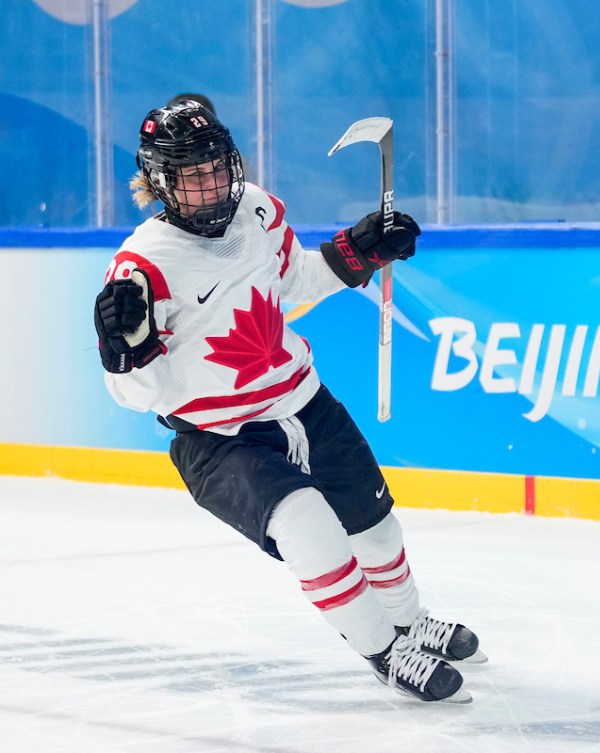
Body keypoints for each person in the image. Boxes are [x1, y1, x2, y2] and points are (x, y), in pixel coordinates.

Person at [92, 99, 483, 704]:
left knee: (375, 528)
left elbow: (296, 278)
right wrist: (124, 350)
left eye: (218, 167)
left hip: (304, 403)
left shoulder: (257, 210)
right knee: (310, 528)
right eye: (193, 176)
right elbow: (139, 394)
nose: (212, 185)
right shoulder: (142, 269)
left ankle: (410, 620)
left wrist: (361, 250)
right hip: (221, 440)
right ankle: (387, 650)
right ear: (160, 183)